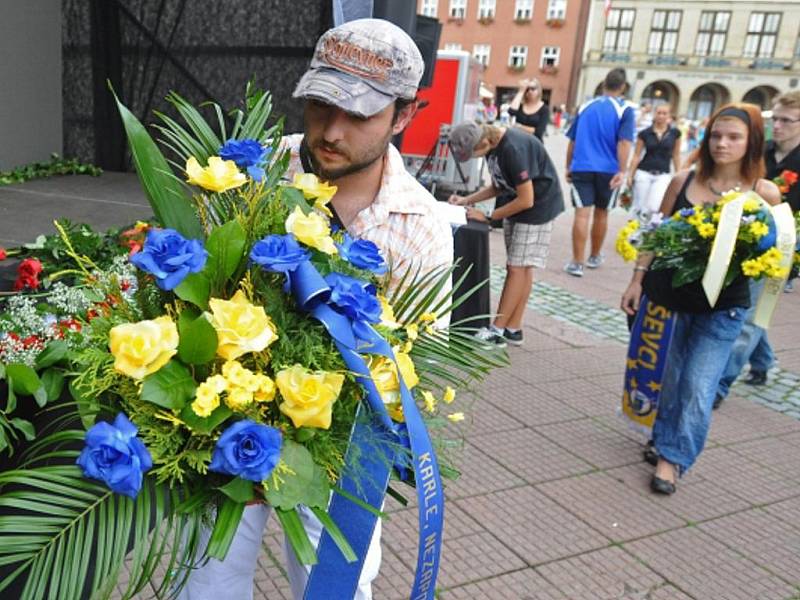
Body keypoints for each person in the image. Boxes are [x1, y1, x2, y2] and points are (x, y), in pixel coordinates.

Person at [179, 18, 453, 600]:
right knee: (204, 576)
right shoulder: (253, 173)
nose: (330, 131)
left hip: (344, 447)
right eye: (321, 105)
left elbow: (414, 369)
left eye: (359, 115)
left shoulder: (422, 226)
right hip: (227, 430)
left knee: (338, 583)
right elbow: (193, 295)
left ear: (405, 115)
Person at [620, 103, 781, 495]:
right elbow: (654, 236)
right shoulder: (682, 181)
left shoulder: (763, 193)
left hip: (723, 308)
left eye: (733, 137)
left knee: (698, 384)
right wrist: (636, 279)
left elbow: (776, 255)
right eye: (716, 135)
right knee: (670, 378)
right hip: (668, 299)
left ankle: (672, 459)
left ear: (752, 142)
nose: (722, 144)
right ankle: (662, 436)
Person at [713, 91, 800, 408]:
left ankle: (720, 383)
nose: (777, 126)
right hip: (744, 240)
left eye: (786, 120)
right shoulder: (760, 153)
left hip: (782, 246)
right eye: (773, 118)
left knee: (748, 315)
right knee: (751, 309)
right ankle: (762, 362)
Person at [446, 122, 564, 347]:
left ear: (485, 142)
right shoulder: (494, 148)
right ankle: (513, 328)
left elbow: (526, 199)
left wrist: (489, 216)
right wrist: (467, 200)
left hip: (537, 208)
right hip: (520, 205)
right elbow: (499, 185)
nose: (475, 158)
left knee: (516, 269)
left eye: (474, 154)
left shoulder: (513, 149)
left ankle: (497, 331)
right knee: (522, 267)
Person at [564, 68, 636, 277]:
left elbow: (573, 140)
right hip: (608, 169)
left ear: (604, 83)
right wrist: (622, 170)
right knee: (602, 213)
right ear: (622, 87)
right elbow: (624, 142)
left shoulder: (586, 107)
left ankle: (577, 262)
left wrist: (568, 166)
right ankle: (594, 256)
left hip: (582, 165)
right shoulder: (625, 109)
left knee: (581, 214)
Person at [627, 104, 681, 217]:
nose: (661, 116)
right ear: (654, 114)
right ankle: (633, 231)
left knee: (654, 207)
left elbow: (676, 155)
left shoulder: (675, 133)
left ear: (669, 115)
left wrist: (679, 175)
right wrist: (630, 175)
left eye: (664, 113)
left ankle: (647, 232)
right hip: (644, 172)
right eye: (658, 113)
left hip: (663, 174)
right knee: (639, 206)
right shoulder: (645, 133)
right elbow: (636, 155)